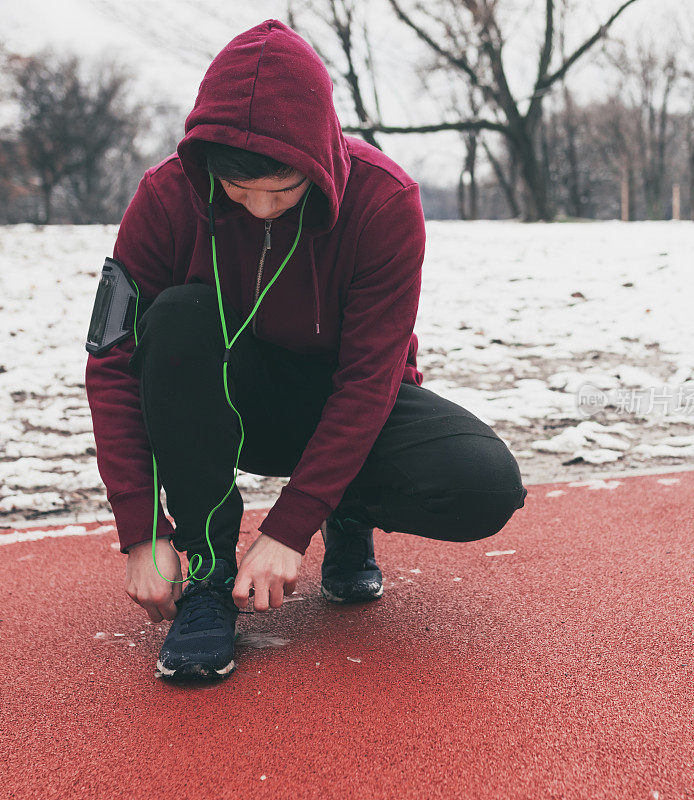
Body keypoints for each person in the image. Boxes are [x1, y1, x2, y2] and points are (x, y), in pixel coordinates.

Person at [84, 18, 527, 681]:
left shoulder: (385, 202)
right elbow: (111, 358)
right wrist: (142, 526)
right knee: (176, 317)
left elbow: (371, 379)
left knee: (484, 482)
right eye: (238, 191)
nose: (261, 208)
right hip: (231, 399)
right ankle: (209, 577)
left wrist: (293, 525)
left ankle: (347, 509)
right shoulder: (164, 197)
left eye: (284, 191)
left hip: (346, 402)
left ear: (319, 161)